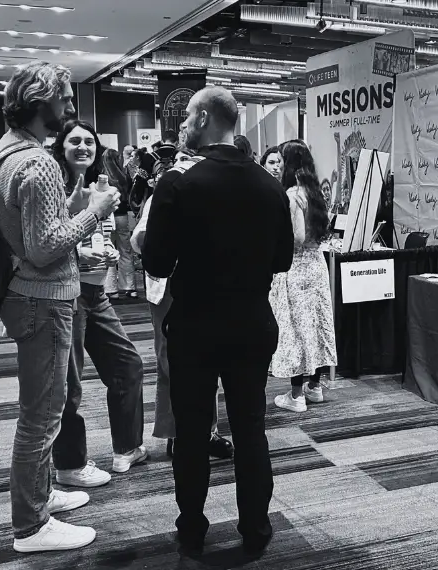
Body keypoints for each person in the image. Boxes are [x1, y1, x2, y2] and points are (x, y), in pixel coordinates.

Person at [142, 86, 293, 558]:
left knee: (191, 432)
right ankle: (256, 528)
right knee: (250, 429)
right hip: (252, 322)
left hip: (195, 326)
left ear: (206, 118)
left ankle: (191, 529)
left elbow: (156, 264)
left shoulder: (177, 182)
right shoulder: (270, 185)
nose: (183, 124)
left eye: (188, 116)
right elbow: (283, 260)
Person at [0, 61, 119, 554]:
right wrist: (94, 213)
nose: (70, 106)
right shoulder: (38, 161)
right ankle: (31, 525)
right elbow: (45, 248)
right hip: (43, 299)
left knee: (44, 409)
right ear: (40, 101)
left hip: (25, 295)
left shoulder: (5, 152)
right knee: (42, 416)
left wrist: (70, 213)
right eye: (64, 97)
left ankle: (41, 494)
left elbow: (29, 234)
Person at [48, 119, 147, 488]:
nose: (83, 147)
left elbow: (99, 238)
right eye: (74, 141)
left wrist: (107, 253)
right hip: (65, 294)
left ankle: (127, 447)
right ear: (61, 147)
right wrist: (80, 253)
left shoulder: (99, 190)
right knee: (68, 383)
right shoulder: (53, 189)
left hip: (95, 293)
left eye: (89, 141)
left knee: (128, 365)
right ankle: (70, 464)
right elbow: (47, 243)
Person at [132, 146, 235, 461]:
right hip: (167, 291)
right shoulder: (160, 198)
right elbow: (139, 240)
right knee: (172, 363)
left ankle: (205, 431)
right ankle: (181, 433)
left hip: (204, 289)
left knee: (206, 360)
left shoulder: (211, 196)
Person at [271, 140, 338, 413]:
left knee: (295, 329)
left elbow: (297, 237)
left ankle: (296, 395)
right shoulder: (316, 193)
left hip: (296, 266)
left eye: (281, 161)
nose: (278, 166)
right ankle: (315, 386)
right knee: (316, 324)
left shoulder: (292, 194)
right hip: (316, 264)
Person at [98, 148, 141, 299]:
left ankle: (111, 289)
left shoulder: (101, 177)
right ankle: (130, 287)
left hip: (106, 217)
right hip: (122, 216)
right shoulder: (124, 176)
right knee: (126, 252)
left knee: (108, 251)